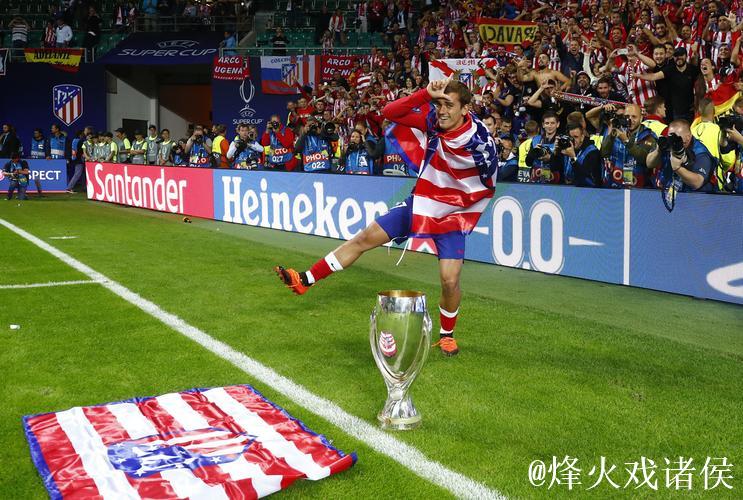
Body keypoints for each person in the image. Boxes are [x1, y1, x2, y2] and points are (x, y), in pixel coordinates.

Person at [275, 78, 499, 357]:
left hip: (452, 213)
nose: (441, 111)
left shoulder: (479, 140)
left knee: (450, 280)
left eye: (449, 105)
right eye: (439, 104)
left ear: (465, 109)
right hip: (423, 202)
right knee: (365, 237)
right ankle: (306, 279)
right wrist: (424, 94)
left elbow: (487, 179)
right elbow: (390, 112)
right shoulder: (432, 121)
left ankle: (447, 336)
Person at [647, 119, 715, 193]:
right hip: (668, 192)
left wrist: (678, 168)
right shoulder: (668, 145)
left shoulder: (701, 153)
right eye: (671, 136)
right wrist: (658, 150)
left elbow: (697, 183)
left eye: (677, 138)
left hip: (695, 196)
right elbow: (649, 164)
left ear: (688, 137)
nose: (673, 141)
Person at [600, 104, 657, 188]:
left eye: (634, 117)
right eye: (627, 116)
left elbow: (644, 158)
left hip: (639, 189)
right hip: (615, 186)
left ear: (641, 118)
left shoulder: (648, 136)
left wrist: (626, 141)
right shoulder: (617, 131)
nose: (630, 119)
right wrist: (611, 133)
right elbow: (604, 153)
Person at [562, 123, 601, 187]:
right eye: (570, 137)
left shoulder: (592, 151)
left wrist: (573, 158)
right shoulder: (567, 149)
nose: (573, 140)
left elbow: (582, 176)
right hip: (570, 188)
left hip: (589, 189)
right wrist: (555, 154)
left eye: (576, 137)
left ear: (582, 137)